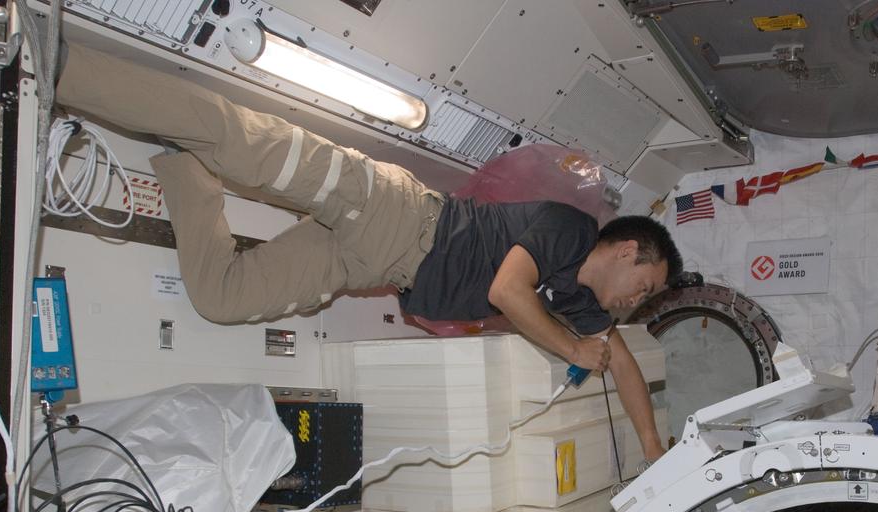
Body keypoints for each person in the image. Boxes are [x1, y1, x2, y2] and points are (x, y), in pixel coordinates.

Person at [54, 44, 681, 461]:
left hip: (372, 267)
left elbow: (621, 366)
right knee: (238, 141)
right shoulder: (570, 230)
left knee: (222, 296)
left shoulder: (576, 297)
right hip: (394, 215)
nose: (634, 304)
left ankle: (185, 166)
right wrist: (572, 348)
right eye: (645, 286)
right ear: (627, 248)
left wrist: (653, 449)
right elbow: (506, 292)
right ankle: (60, 64)